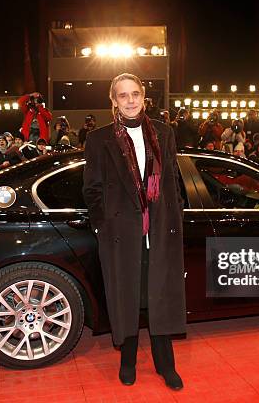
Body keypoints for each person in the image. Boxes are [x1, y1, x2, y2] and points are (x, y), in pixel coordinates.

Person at [83, 73, 186, 390]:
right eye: (123, 95)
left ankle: (165, 365)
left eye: (135, 94)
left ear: (144, 97)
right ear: (113, 101)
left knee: (160, 297)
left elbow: (171, 180)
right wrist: (104, 225)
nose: (130, 100)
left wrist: (174, 214)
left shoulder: (164, 133)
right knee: (126, 297)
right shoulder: (99, 139)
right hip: (122, 232)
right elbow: (92, 189)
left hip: (157, 229)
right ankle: (127, 361)